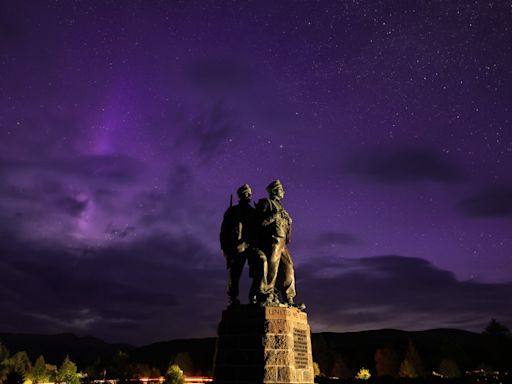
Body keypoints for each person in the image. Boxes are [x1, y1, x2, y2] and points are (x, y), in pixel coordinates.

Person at [256, 180, 298, 307]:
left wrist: (289, 223)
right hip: (272, 240)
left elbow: (286, 226)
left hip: (282, 242)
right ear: (275, 191)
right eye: (281, 190)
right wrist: (274, 216)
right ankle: (268, 294)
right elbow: (259, 222)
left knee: (288, 267)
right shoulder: (266, 203)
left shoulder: (282, 208)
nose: (283, 192)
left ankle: (289, 297)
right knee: (272, 267)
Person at [219, 184, 257, 306]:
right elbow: (224, 232)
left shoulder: (254, 212)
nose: (249, 195)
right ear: (241, 195)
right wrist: (226, 250)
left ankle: (255, 296)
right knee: (235, 274)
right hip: (237, 247)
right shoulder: (232, 211)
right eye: (247, 193)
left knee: (259, 269)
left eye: (250, 193)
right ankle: (232, 297)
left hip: (251, 246)